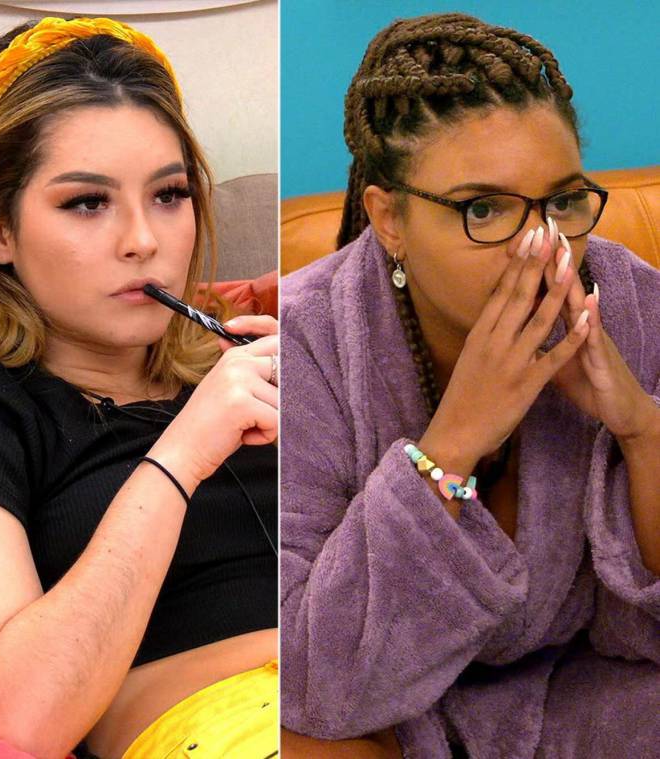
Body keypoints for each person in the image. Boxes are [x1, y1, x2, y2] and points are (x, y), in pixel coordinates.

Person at [280, 13, 660, 758]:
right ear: (389, 218)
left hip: (593, 698)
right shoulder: (304, 344)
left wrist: (643, 427)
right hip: (394, 723)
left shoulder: (633, 302)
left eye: (563, 202)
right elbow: (314, 681)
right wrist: (453, 443)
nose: (541, 245)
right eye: (483, 208)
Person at [0, 17, 279, 759]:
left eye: (169, 194)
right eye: (86, 203)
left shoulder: (249, 357)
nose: (144, 240)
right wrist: (183, 453)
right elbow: (16, 716)